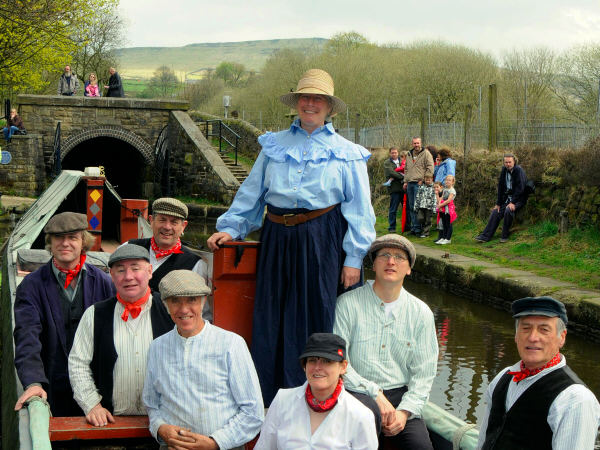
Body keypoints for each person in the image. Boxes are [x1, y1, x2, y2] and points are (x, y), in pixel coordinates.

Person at [206, 68, 376, 406]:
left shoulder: (348, 152)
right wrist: (232, 226)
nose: (310, 104)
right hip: (276, 237)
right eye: (305, 98)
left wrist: (354, 258)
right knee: (271, 316)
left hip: (321, 237)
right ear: (297, 102)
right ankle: (271, 400)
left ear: (329, 107)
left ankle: (315, 397)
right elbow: (253, 192)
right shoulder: (273, 145)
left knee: (316, 316)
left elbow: (359, 209)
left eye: (318, 99)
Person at [334, 234, 438, 450]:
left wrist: (405, 411)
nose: (391, 262)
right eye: (385, 255)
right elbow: (340, 363)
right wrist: (374, 393)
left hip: (400, 396)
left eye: (399, 257)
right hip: (356, 392)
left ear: (409, 269)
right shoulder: (347, 304)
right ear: (373, 263)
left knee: (421, 447)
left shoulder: (421, 313)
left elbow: (424, 374)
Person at [143, 270, 264, 450]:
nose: (184, 309)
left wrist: (215, 442)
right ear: (165, 304)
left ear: (203, 301)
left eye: (192, 300)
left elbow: (253, 413)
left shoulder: (231, 344)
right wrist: (161, 428)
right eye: (175, 300)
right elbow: (151, 404)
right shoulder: (157, 347)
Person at [13, 212, 115, 416]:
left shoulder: (104, 282)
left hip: (96, 389)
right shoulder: (31, 286)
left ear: (83, 241)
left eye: (72, 237)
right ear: (50, 243)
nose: (65, 243)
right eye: (59, 238)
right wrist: (33, 382)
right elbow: (27, 335)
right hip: (53, 385)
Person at [68, 244, 173, 426]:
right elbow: (78, 364)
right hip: (111, 421)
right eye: (120, 270)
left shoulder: (170, 310)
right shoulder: (94, 314)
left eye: (135, 268)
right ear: (111, 276)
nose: (128, 276)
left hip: (164, 420)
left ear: (149, 271)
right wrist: (92, 405)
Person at [477, 296, 600, 449]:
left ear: (562, 337)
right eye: (526, 328)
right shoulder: (503, 377)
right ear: (516, 336)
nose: (533, 337)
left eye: (544, 329)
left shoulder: (575, 400)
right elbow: (484, 441)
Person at [255, 333, 378, 450]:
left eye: (327, 361)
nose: (318, 367)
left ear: (343, 366)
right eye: (312, 360)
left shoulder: (361, 415)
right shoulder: (283, 400)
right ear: (305, 365)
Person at [126, 197, 210, 317]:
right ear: (151, 220)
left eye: (174, 222)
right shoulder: (129, 248)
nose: (167, 227)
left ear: (183, 226)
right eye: (162, 220)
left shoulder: (195, 265)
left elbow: (202, 313)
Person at [475, 153, 527, 243]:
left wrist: (513, 202)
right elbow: (501, 187)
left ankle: (504, 235)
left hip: (519, 198)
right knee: (496, 211)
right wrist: (498, 204)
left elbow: (520, 189)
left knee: (508, 210)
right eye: (506, 162)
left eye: (510, 162)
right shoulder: (504, 170)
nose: (508, 164)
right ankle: (485, 236)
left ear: (514, 161)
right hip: (508, 198)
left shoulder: (519, 170)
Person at [404, 137, 434, 235]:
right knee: (411, 206)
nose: (416, 145)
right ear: (412, 144)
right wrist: (405, 181)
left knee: (419, 207)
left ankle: (420, 228)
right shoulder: (409, 154)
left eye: (418, 143)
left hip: (419, 184)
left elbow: (430, 167)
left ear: (421, 143)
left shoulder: (426, 154)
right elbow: (406, 169)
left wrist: (424, 180)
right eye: (414, 143)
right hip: (410, 183)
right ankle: (414, 228)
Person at [383, 147, 405, 232]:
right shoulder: (387, 163)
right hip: (394, 189)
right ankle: (392, 227)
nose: (394, 154)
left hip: (404, 188)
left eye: (395, 152)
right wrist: (402, 177)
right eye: (392, 153)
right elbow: (391, 172)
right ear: (390, 153)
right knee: (393, 209)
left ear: (398, 153)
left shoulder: (403, 160)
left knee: (406, 209)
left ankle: (407, 227)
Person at [435, 175, 457, 245]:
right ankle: (443, 237)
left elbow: (448, 200)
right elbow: (441, 198)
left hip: (448, 209)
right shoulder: (444, 189)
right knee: (444, 223)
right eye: (446, 180)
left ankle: (448, 238)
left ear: (453, 182)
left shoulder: (452, 190)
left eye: (449, 180)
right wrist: (439, 205)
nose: (447, 181)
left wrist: (440, 205)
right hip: (442, 208)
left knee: (448, 223)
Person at [414, 174, 437, 238]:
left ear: (432, 180)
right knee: (420, 218)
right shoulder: (421, 187)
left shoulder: (433, 188)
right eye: (426, 180)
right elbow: (418, 197)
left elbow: (434, 198)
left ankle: (426, 233)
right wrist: (416, 206)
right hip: (421, 206)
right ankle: (423, 229)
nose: (427, 181)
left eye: (429, 180)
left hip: (429, 207)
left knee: (428, 220)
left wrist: (434, 208)